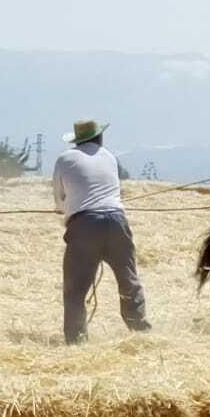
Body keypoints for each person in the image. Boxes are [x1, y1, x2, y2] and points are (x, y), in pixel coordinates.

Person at [52, 119, 150, 344]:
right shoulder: (109, 157)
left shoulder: (65, 159)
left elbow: (59, 199)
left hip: (84, 225)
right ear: (99, 137)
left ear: (77, 140)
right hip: (117, 221)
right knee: (128, 280)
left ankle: (76, 341)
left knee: (76, 288)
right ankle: (140, 331)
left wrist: (65, 209)